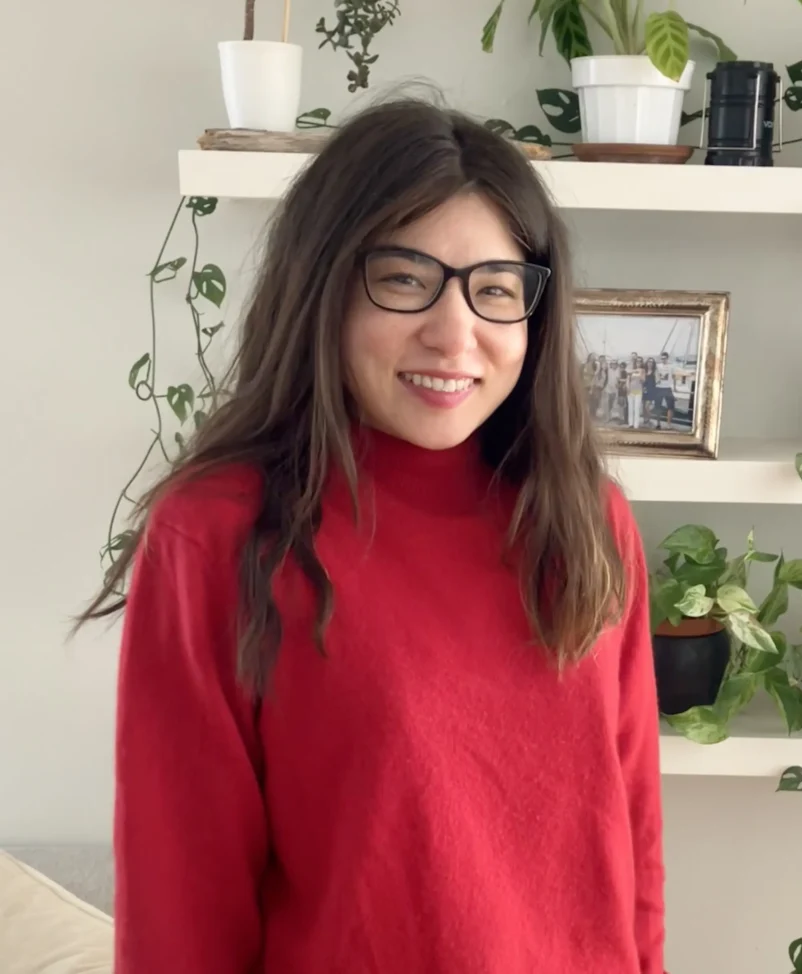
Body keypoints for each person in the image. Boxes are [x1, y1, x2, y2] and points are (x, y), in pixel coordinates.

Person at [74, 97, 666, 974]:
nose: (454, 332)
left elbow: (632, 841)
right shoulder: (217, 534)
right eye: (403, 278)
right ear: (326, 285)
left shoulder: (586, 518)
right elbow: (181, 902)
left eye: (496, 290)